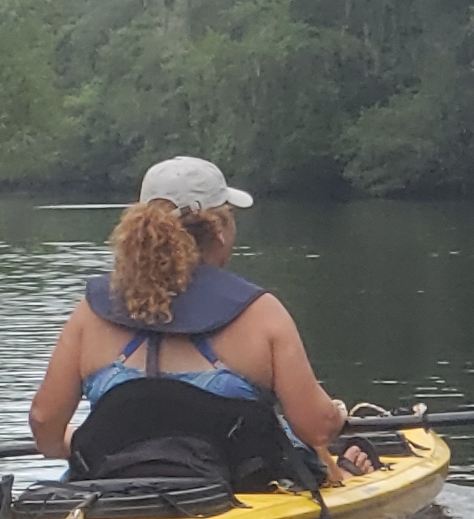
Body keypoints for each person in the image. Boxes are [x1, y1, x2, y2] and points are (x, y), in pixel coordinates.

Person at [25, 156, 372, 488]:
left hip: (113, 488)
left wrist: (85, 442)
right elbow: (315, 427)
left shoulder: (90, 313)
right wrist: (337, 415)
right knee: (318, 453)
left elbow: (45, 426)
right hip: (236, 494)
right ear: (220, 228)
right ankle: (348, 474)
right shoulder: (262, 313)